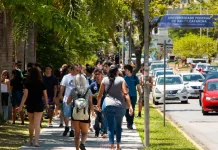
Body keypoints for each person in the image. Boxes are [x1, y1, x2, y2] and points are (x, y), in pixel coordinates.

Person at [97, 65, 133, 150]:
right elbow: (125, 93)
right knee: (118, 126)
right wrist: (130, 106)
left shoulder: (105, 80)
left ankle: (112, 147)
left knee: (110, 127)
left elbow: (99, 95)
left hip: (108, 105)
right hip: (120, 106)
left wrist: (98, 105)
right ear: (117, 72)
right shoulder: (121, 80)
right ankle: (118, 146)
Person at [17, 68, 49, 147]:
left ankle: (31, 139)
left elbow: (25, 96)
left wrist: (21, 106)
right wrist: (47, 103)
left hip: (30, 104)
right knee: (37, 123)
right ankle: (36, 142)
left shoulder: (28, 83)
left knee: (31, 123)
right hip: (39, 104)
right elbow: (45, 95)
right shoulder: (41, 83)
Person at [67, 74, 94, 150]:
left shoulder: (73, 90)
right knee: (85, 133)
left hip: (75, 114)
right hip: (85, 113)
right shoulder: (88, 90)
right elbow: (90, 102)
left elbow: (68, 102)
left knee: (77, 134)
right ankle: (82, 143)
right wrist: (92, 112)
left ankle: (77, 149)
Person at [58, 64, 79, 137]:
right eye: (77, 70)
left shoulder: (80, 77)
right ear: (72, 70)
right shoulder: (66, 77)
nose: (78, 71)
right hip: (67, 98)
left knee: (74, 115)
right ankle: (67, 127)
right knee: (66, 114)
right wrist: (60, 95)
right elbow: (62, 86)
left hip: (76, 99)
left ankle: (72, 129)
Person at [89, 68, 107, 138]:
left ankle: (104, 131)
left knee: (103, 118)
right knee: (96, 119)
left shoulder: (105, 84)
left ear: (101, 75)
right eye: (95, 74)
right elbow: (89, 94)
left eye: (98, 74)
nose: (97, 76)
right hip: (95, 105)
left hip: (103, 104)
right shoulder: (93, 85)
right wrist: (94, 95)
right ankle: (97, 131)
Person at [124, 65, 142, 129]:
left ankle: (130, 123)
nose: (124, 71)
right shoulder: (124, 78)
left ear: (129, 70)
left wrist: (140, 96)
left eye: (125, 70)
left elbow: (138, 87)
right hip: (126, 96)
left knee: (132, 109)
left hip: (133, 95)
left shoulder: (134, 78)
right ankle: (128, 120)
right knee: (126, 110)